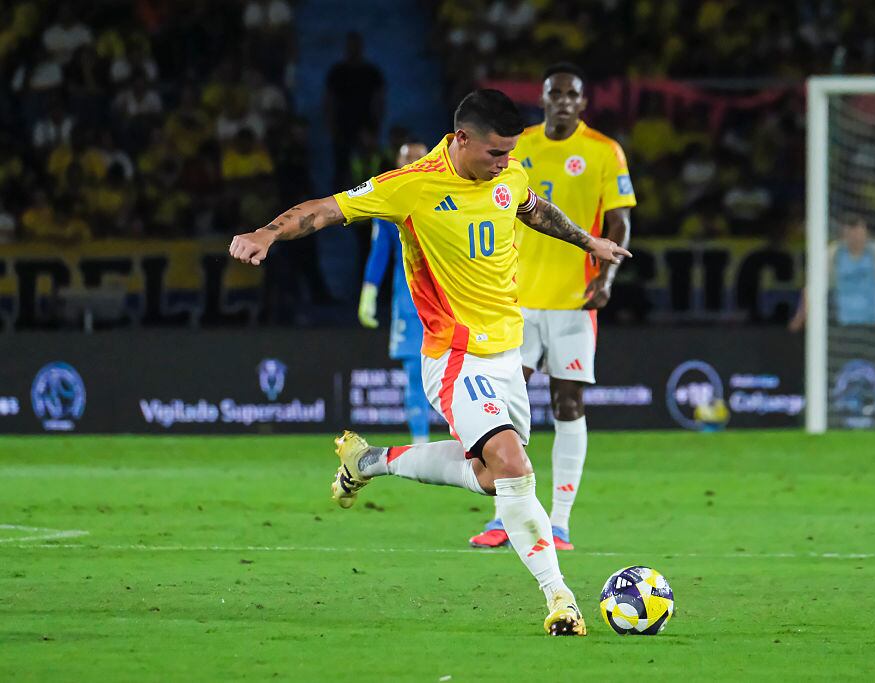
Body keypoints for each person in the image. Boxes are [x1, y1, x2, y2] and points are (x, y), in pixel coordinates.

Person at [229, 89, 631, 636]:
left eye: (511, 153)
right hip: (454, 355)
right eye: (495, 154)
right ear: (461, 140)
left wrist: (590, 243)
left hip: (507, 354)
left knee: (492, 479)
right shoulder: (412, 185)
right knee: (514, 469)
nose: (505, 164)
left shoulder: (507, 175)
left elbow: (532, 207)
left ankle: (370, 462)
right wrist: (266, 234)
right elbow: (325, 210)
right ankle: (560, 597)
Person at [468, 63, 635, 551]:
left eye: (572, 94)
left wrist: (606, 277)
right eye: (554, 93)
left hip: (572, 301)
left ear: (583, 103)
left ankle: (558, 521)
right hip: (514, 299)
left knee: (568, 403)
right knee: (503, 409)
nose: (563, 100)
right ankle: (505, 515)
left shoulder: (604, 151)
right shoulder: (518, 146)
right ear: (542, 99)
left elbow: (620, 221)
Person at [358, 141, 432, 445]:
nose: (413, 163)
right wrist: (369, 292)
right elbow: (380, 251)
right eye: (407, 159)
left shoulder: (448, 194)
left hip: (452, 301)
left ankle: (471, 439)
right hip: (410, 303)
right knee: (415, 373)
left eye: (419, 158)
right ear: (398, 163)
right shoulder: (389, 200)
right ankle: (421, 441)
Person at [789, 213, 875, 332]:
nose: (856, 237)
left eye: (859, 232)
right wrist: (800, 317)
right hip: (842, 323)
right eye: (851, 232)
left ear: (866, 232)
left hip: (874, 322)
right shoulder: (833, 252)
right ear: (844, 234)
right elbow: (813, 288)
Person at [323, 32, 384, 189]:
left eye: (356, 46)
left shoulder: (371, 73)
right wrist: (332, 127)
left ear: (361, 48)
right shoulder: (337, 72)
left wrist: (375, 128)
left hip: (366, 127)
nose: (353, 49)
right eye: (350, 46)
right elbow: (329, 101)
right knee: (342, 170)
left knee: (368, 171)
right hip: (342, 128)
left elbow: (379, 101)